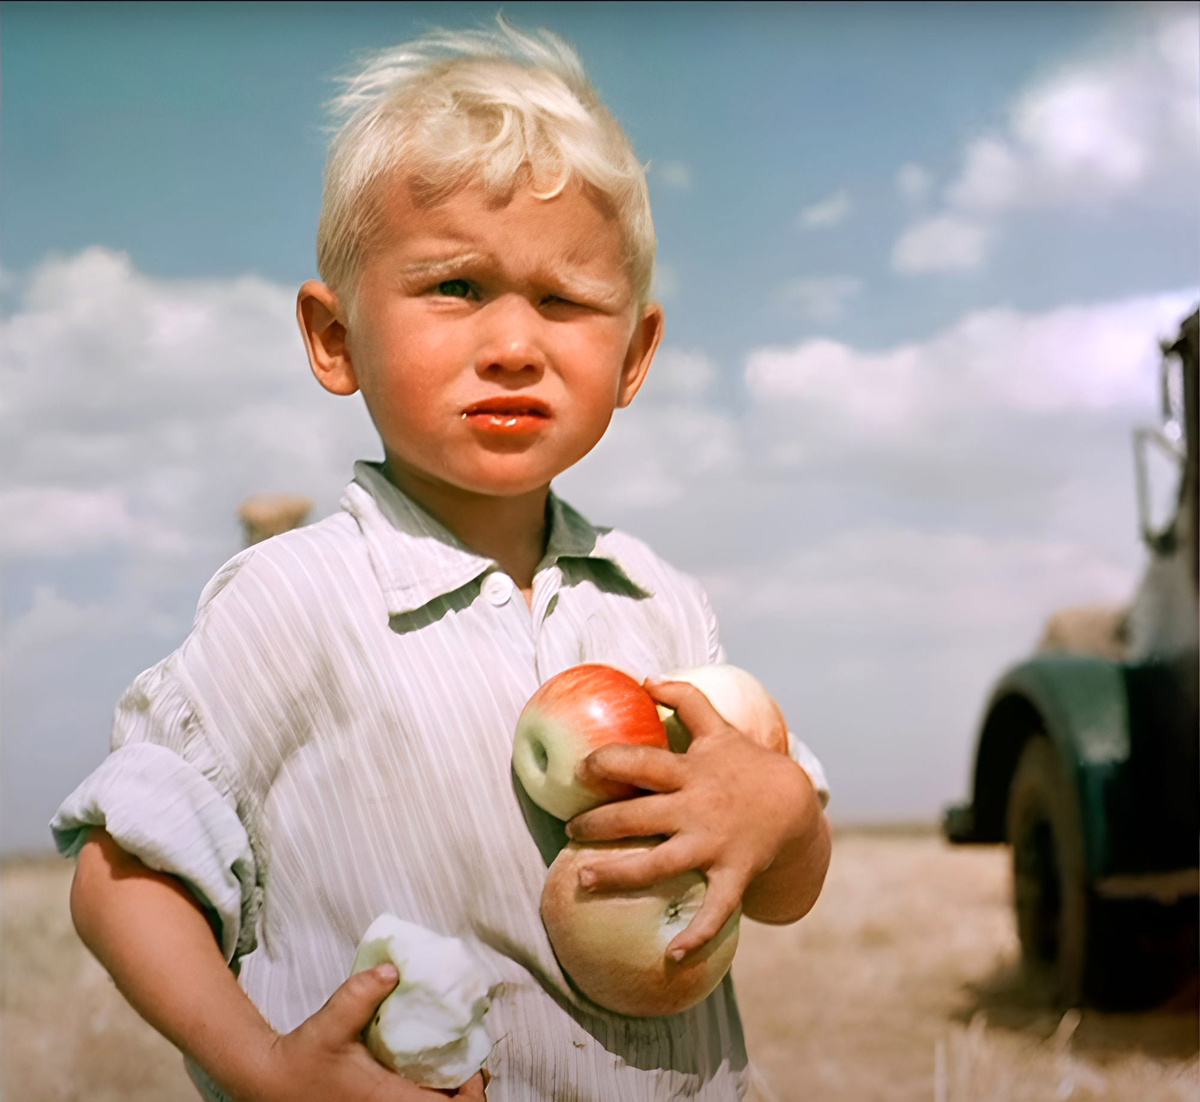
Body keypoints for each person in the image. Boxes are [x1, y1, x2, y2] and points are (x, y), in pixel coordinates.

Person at [53, 18, 832, 1102]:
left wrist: (783, 815)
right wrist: (267, 1070)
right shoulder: (293, 602)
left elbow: (786, 887)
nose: (515, 342)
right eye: (456, 287)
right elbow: (121, 874)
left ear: (634, 355)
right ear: (335, 338)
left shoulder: (660, 608)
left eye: (563, 300)